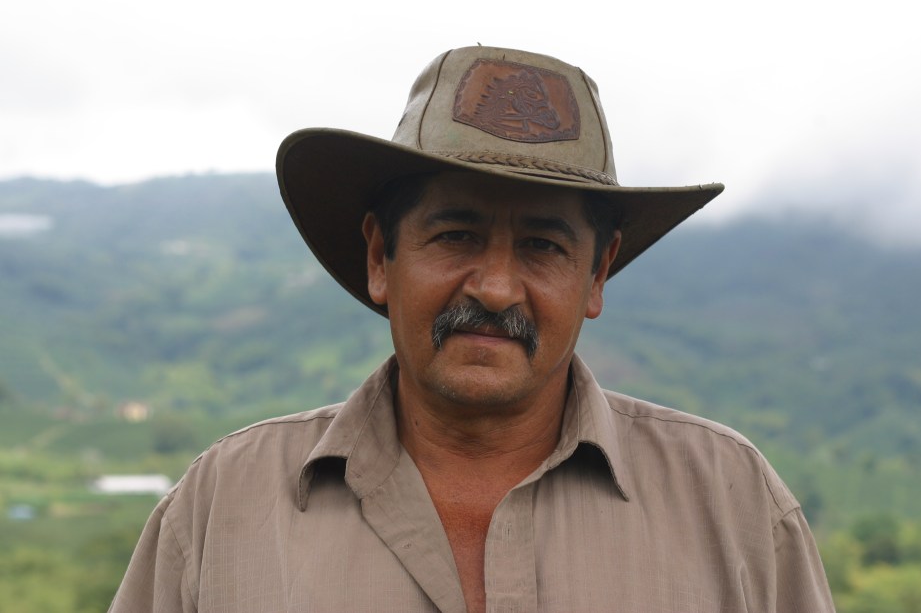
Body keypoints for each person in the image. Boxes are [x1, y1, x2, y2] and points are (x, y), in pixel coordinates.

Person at [110, 46, 835, 612]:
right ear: (380, 257)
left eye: (543, 246)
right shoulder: (222, 506)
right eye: (456, 235)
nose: (495, 288)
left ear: (597, 275)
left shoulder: (732, 505)